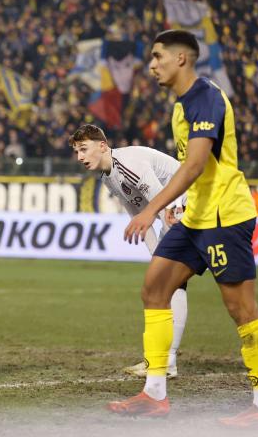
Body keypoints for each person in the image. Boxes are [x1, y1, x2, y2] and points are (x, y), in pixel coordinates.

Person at [107, 30, 258, 428]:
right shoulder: (180, 106)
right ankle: (154, 393)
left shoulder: (206, 97)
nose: (150, 65)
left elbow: (195, 165)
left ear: (181, 59)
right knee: (155, 288)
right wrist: (180, 208)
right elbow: (192, 169)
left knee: (242, 309)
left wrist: (152, 208)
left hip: (225, 217)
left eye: (157, 57)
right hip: (196, 217)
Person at [70, 124, 187, 379]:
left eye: (84, 149)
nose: (79, 157)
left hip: (186, 202)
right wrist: (157, 256)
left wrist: (162, 259)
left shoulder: (129, 164)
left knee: (168, 283)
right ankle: (166, 361)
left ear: (102, 146)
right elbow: (139, 218)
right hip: (178, 207)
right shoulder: (109, 175)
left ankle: (165, 362)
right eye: (77, 151)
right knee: (170, 284)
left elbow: (164, 203)